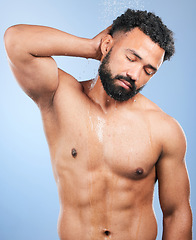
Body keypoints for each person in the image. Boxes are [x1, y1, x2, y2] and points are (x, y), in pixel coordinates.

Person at [4, 9, 192, 240]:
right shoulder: (59, 96)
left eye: (148, 70)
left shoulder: (165, 129)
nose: (135, 74)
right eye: (131, 58)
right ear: (107, 46)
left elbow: (176, 213)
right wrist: (90, 48)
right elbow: (16, 40)